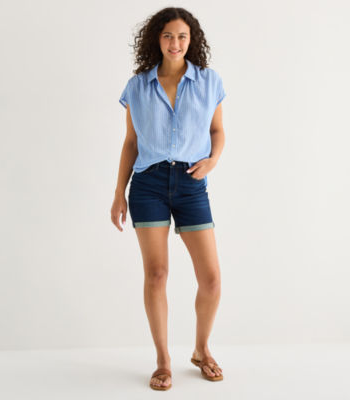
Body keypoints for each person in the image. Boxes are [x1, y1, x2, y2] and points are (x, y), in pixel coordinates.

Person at [111, 7, 226, 391]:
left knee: (211, 280)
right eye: (167, 36)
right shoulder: (138, 86)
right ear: (156, 40)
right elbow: (131, 142)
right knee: (157, 274)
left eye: (182, 36)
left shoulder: (209, 81)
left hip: (192, 184)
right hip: (148, 185)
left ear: (191, 40)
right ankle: (162, 361)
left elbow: (217, 131)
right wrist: (118, 192)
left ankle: (201, 350)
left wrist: (212, 160)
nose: (175, 43)